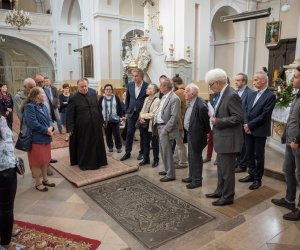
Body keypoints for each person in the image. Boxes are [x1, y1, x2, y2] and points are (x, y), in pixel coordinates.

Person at [205, 68, 244, 206]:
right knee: (221, 168)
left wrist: (218, 121)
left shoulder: (231, 95)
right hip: (222, 138)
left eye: (210, 85)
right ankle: (220, 190)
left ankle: (228, 196)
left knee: (227, 171)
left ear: (217, 82)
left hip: (229, 140)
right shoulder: (221, 94)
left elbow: (238, 117)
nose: (210, 88)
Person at [271, 66, 300, 221]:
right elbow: (292, 119)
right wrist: (287, 136)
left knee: (299, 175)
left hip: (297, 143)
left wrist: (297, 140)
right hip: (290, 141)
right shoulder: (297, 95)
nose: (291, 79)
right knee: (287, 170)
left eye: (295, 77)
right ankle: (289, 200)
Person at [239, 71, 276, 190]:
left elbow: (264, 115)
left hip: (259, 131)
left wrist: (250, 125)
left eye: (256, 80)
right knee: (249, 153)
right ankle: (251, 174)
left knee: (258, 155)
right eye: (254, 79)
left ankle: (257, 179)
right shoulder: (252, 94)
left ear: (263, 81)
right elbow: (245, 110)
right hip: (248, 129)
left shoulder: (270, 96)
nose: (253, 82)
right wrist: (246, 124)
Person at [67, 78, 107, 170]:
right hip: (82, 128)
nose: (84, 88)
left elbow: (98, 109)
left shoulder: (93, 94)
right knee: (86, 145)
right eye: (82, 86)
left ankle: (100, 161)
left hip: (96, 125)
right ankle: (86, 164)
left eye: (86, 86)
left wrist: (102, 121)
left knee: (97, 143)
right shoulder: (73, 98)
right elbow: (70, 115)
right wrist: (70, 128)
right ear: (78, 87)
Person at [23, 87, 55, 192]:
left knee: (45, 160)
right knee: (36, 162)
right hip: (36, 139)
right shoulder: (29, 107)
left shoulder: (44, 106)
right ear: (37, 95)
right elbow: (33, 123)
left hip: (46, 138)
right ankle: (38, 183)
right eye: (43, 93)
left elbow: (49, 119)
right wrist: (46, 130)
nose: (45, 95)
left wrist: (51, 128)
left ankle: (45, 179)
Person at [182, 83, 210, 189]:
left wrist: (201, 134)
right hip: (190, 133)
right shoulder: (191, 102)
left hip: (197, 135)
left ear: (192, 93)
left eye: (186, 91)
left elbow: (206, 125)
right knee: (191, 156)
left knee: (196, 157)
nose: (184, 93)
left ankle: (197, 180)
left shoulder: (201, 105)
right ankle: (191, 176)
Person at [154, 78, 180, 182]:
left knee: (167, 151)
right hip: (160, 127)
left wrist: (166, 129)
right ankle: (167, 169)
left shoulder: (174, 98)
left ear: (165, 87)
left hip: (166, 128)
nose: (159, 87)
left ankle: (170, 174)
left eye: (161, 86)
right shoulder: (164, 96)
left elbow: (174, 117)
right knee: (163, 150)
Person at [120, 68, 148, 161]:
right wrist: (127, 111)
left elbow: (149, 102)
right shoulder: (130, 85)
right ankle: (127, 152)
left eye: (136, 76)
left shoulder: (147, 86)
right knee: (129, 133)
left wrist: (145, 114)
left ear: (141, 76)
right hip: (131, 113)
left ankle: (142, 153)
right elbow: (127, 99)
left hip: (142, 114)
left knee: (143, 134)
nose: (134, 78)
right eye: (133, 76)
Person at [0, 113, 17, 250]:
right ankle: (6, 242)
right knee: (6, 207)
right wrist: (13, 162)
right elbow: (7, 141)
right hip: (4, 168)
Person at [34, 73, 58, 166]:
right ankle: (42, 162)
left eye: (42, 81)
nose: (41, 83)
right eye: (39, 82)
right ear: (35, 82)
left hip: (48, 118)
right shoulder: (34, 92)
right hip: (39, 120)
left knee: (49, 139)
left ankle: (48, 157)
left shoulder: (47, 90)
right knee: (41, 142)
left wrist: (52, 117)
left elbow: (49, 103)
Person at [234, 73, 254, 173]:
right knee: (238, 144)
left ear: (244, 81)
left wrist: (246, 124)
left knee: (244, 146)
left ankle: (243, 165)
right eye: (235, 80)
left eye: (238, 80)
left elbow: (249, 110)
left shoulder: (250, 93)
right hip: (236, 123)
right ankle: (237, 162)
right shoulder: (235, 92)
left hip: (244, 123)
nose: (235, 82)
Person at [137, 83, 160, 167]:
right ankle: (146, 159)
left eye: (149, 88)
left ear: (153, 91)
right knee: (145, 143)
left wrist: (142, 116)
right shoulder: (146, 98)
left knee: (154, 144)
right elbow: (142, 110)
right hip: (144, 124)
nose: (146, 89)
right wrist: (141, 117)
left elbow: (153, 114)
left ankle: (156, 160)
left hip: (151, 125)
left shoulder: (157, 100)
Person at [99, 84, 123, 153]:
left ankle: (118, 147)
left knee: (117, 133)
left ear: (112, 90)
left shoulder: (116, 97)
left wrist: (120, 116)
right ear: (104, 90)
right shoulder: (101, 98)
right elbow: (99, 109)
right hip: (105, 120)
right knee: (108, 134)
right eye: (107, 89)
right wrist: (101, 120)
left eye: (110, 89)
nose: (108, 90)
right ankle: (110, 146)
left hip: (115, 119)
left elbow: (120, 107)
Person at [172, 74, 188, 169]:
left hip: (179, 121)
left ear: (175, 84)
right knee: (179, 142)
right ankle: (176, 159)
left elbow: (177, 109)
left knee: (179, 143)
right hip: (183, 120)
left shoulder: (178, 93)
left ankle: (183, 162)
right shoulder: (185, 90)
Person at [203, 93, 219, 163]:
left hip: (218, 121)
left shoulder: (223, 95)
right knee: (210, 140)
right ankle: (208, 156)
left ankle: (218, 158)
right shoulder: (213, 95)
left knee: (218, 141)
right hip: (211, 121)